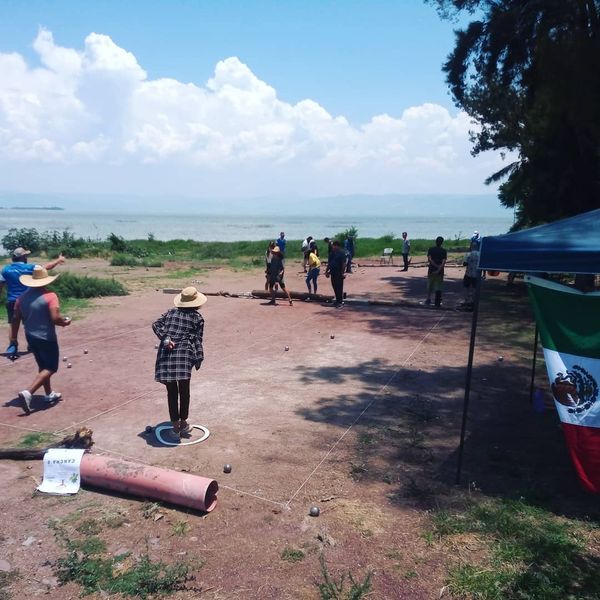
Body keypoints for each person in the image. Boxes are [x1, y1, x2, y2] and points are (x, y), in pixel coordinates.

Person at [11, 266, 71, 414]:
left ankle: (48, 394)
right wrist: (65, 322)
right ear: (45, 281)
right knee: (51, 367)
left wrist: (13, 338)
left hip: (30, 336)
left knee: (42, 366)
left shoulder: (21, 298)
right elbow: (55, 318)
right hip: (46, 337)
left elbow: (15, 319)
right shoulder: (50, 296)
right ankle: (28, 392)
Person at [152, 286, 207, 440]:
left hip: (167, 355)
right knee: (184, 390)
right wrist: (198, 358)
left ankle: (175, 428)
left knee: (171, 392)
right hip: (184, 355)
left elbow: (156, 325)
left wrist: (166, 338)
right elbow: (197, 340)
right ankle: (183, 423)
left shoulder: (170, 312)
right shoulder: (198, 318)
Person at [1, 248, 65, 355]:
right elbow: (47, 267)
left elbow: (0, 284)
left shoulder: (5, 269)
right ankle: (31, 344)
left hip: (12, 300)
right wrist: (58, 260)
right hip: (28, 300)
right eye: (25, 255)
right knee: (29, 323)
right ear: (23, 257)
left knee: (13, 323)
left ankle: (13, 345)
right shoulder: (32, 267)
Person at [425, 236, 447, 307]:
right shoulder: (444, 251)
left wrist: (435, 266)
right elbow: (443, 262)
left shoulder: (431, 249)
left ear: (436, 241)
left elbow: (429, 259)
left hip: (431, 269)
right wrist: (439, 269)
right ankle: (437, 301)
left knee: (430, 284)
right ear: (442, 243)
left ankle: (428, 299)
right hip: (440, 271)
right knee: (438, 285)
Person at [325, 240, 347, 308]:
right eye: (332, 246)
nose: (333, 247)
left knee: (339, 287)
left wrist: (343, 273)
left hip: (339, 273)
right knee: (334, 286)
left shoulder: (342, 253)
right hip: (333, 272)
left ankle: (340, 302)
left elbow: (344, 264)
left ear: (337, 246)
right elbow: (329, 263)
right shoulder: (332, 253)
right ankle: (337, 301)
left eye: (334, 246)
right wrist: (327, 271)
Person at [460, 241, 481, 310]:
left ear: (471, 246)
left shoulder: (468, 254)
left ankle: (466, 301)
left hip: (468, 273)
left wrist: (469, 262)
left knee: (466, 288)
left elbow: (464, 264)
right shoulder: (480, 254)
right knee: (475, 288)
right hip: (477, 274)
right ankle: (473, 301)